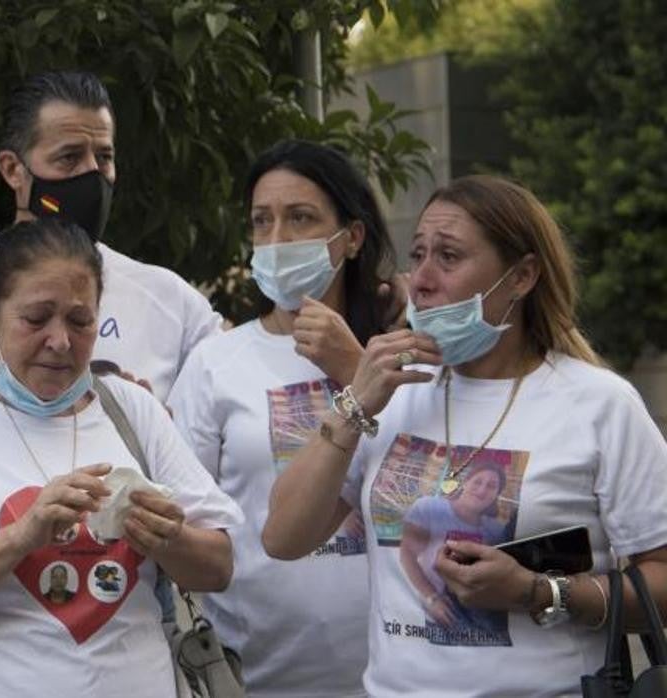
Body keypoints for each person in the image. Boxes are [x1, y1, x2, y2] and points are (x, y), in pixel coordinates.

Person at [262, 174, 667, 695]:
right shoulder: (395, 393)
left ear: (521, 277)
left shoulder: (598, 404)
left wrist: (537, 592)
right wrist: (353, 405)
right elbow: (283, 537)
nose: (422, 280)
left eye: (448, 258)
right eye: (418, 255)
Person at [0, 218, 242, 696]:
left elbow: (219, 567)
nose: (60, 341)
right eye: (36, 319)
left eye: (81, 321)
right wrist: (21, 536)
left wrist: (166, 537)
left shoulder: (133, 409)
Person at [0, 70, 224, 499]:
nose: (92, 177)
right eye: (69, 158)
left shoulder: (171, 300)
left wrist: (156, 427)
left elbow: (243, 430)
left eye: (103, 157)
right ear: (13, 169)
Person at [168, 140, 394, 695]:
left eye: (300, 219)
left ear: (352, 237)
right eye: (261, 221)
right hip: (255, 677)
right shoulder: (215, 365)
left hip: (399, 679)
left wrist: (356, 365)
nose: (277, 241)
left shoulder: (399, 357)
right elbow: (184, 523)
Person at [400, 461, 512, 644]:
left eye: (492, 486)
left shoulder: (496, 530)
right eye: (477, 482)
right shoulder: (429, 507)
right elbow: (407, 555)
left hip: (478, 619)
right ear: (465, 482)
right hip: (430, 613)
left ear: (496, 495)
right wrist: (432, 598)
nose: (482, 490)